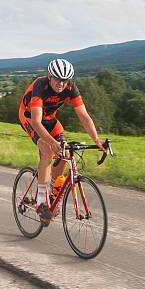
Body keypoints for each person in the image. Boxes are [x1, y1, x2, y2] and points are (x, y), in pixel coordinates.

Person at [18, 58, 105, 224]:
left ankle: (51, 187)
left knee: (65, 152)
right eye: (58, 79)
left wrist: (97, 140)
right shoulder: (40, 86)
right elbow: (36, 122)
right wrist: (51, 142)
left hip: (50, 119)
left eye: (65, 80)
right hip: (29, 117)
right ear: (50, 76)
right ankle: (42, 200)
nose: (61, 84)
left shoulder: (71, 88)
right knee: (47, 150)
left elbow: (84, 117)